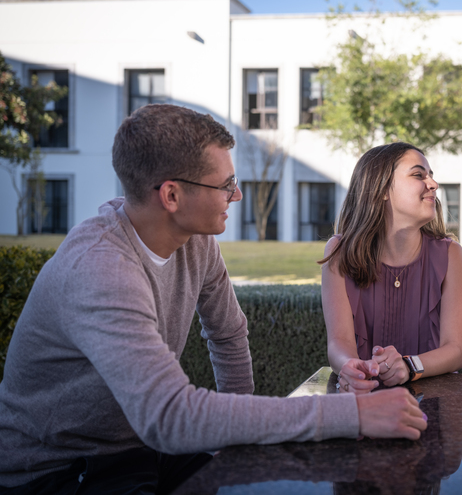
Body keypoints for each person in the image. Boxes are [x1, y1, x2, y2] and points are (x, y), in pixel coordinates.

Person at [0, 105, 426, 493]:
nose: (237, 195)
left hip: (137, 449)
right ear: (171, 196)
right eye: (225, 185)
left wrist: (236, 448)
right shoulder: (100, 270)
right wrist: (352, 413)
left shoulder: (194, 240)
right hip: (57, 471)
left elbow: (228, 333)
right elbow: (171, 416)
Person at [321, 142, 462, 395]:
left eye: (431, 175)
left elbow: (455, 350)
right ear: (381, 190)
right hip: (364, 403)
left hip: (432, 405)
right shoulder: (339, 252)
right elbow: (339, 342)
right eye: (418, 175)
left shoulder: (450, 254)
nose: (433, 184)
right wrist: (350, 367)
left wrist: (409, 366)